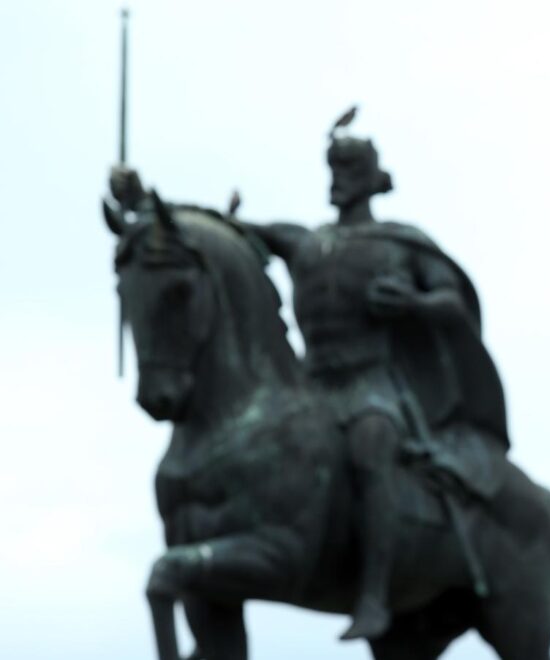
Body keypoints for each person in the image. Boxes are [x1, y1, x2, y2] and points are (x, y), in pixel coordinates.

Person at [109, 115, 509, 641]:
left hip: (374, 384)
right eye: (335, 169)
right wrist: (142, 200)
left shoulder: (401, 243)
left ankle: (373, 596)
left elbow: (452, 302)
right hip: (312, 383)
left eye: (350, 170)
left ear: (373, 179)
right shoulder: (305, 242)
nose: (339, 179)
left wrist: (414, 303)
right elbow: (215, 228)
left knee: (371, 442)